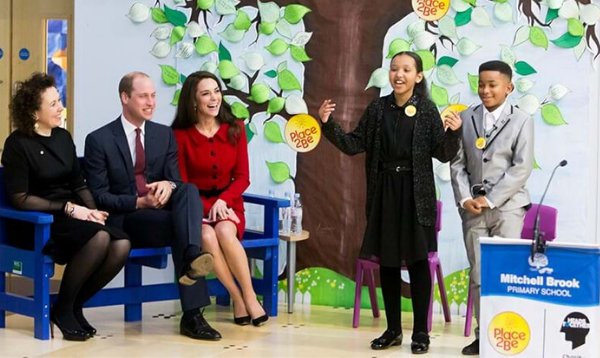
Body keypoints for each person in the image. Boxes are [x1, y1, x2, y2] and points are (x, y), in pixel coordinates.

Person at [319, 51, 462, 354]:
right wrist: (327, 124)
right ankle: (393, 329)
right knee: (387, 262)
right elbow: (353, 143)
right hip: (384, 192)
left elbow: (443, 153)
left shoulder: (426, 110)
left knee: (418, 263)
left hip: (416, 194)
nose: (399, 74)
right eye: (394, 69)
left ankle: (421, 333)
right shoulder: (378, 108)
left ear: (418, 77)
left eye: (407, 70)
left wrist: (455, 132)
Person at [84, 72, 221, 340]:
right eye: (143, 96)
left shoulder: (163, 134)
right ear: (125, 98)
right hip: (128, 218)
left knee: (187, 190)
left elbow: (175, 180)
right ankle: (193, 315)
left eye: (154, 95)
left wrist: (167, 187)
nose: (151, 102)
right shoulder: (99, 139)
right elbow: (99, 196)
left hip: (160, 214)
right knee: (182, 226)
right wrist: (139, 201)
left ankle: (192, 254)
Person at [2, 73, 131, 341]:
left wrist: (94, 211)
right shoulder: (17, 144)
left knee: (121, 244)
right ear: (33, 112)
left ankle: (67, 307)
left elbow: (79, 183)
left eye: (59, 100)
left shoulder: (62, 136)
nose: (60, 107)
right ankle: (65, 309)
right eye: (53, 104)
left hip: (72, 215)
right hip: (38, 220)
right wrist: (70, 209)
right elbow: (20, 198)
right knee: (100, 239)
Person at [449, 60, 534, 356]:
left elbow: (522, 168)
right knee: (479, 275)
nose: (485, 90)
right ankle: (483, 335)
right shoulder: (466, 117)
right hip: (473, 210)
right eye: (481, 84)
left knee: (506, 272)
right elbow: (457, 164)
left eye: (492, 85)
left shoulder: (522, 120)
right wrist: (464, 199)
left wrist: (492, 198)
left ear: (508, 88)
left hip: (508, 208)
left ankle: (507, 336)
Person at [171, 71, 268, 327]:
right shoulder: (179, 136)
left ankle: (249, 296)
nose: (214, 98)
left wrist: (223, 202)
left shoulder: (235, 128)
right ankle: (237, 297)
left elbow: (243, 177)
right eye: (206, 93)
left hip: (229, 205)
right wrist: (209, 207)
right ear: (193, 101)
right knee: (206, 235)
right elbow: (182, 184)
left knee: (225, 231)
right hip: (196, 208)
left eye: (216, 91)